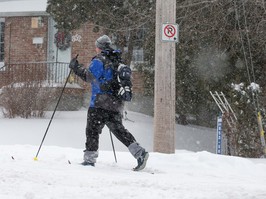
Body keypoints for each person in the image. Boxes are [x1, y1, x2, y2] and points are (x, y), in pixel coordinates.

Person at [69, 35, 149, 171]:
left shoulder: (99, 60)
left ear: (99, 47)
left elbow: (88, 76)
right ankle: (140, 153)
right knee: (119, 131)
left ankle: (89, 160)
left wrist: (76, 68)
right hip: (116, 104)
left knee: (92, 130)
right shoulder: (117, 60)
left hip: (100, 103)